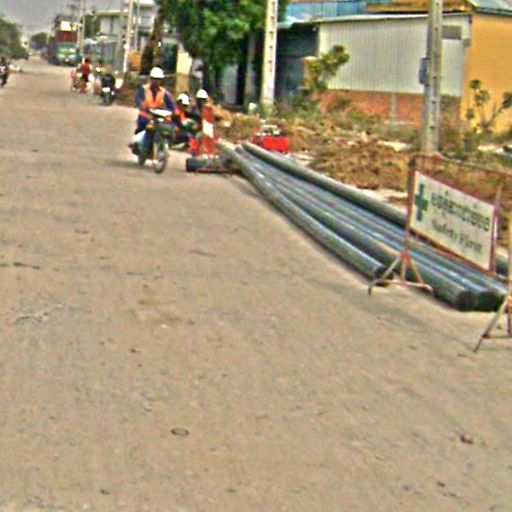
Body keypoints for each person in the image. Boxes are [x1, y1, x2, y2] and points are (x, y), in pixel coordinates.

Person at [131, 67, 176, 153]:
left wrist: (174, 110)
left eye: (158, 79)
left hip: (159, 116)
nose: (156, 81)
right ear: (150, 79)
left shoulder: (163, 92)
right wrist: (141, 104)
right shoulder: (144, 89)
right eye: (154, 79)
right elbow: (138, 99)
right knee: (143, 125)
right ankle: (139, 146)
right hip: (146, 115)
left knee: (169, 128)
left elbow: (171, 104)